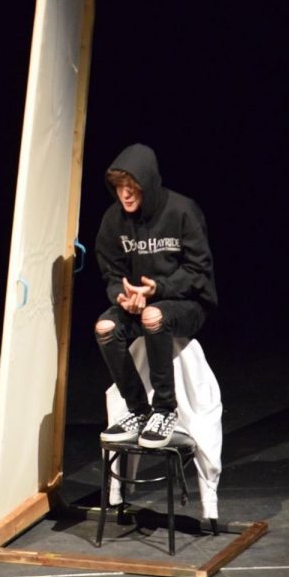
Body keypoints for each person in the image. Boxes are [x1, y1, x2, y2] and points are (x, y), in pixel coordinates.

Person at [95, 144, 217, 448]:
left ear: (147, 182)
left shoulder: (182, 210)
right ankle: (137, 410)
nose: (125, 194)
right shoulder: (114, 220)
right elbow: (111, 273)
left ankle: (164, 409)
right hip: (139, 302)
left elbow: (198, 270)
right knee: (105, 328)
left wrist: (158, 290)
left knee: (154, 316)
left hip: (186, 303)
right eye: (119, 187)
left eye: (132, 185)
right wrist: (122, 297)